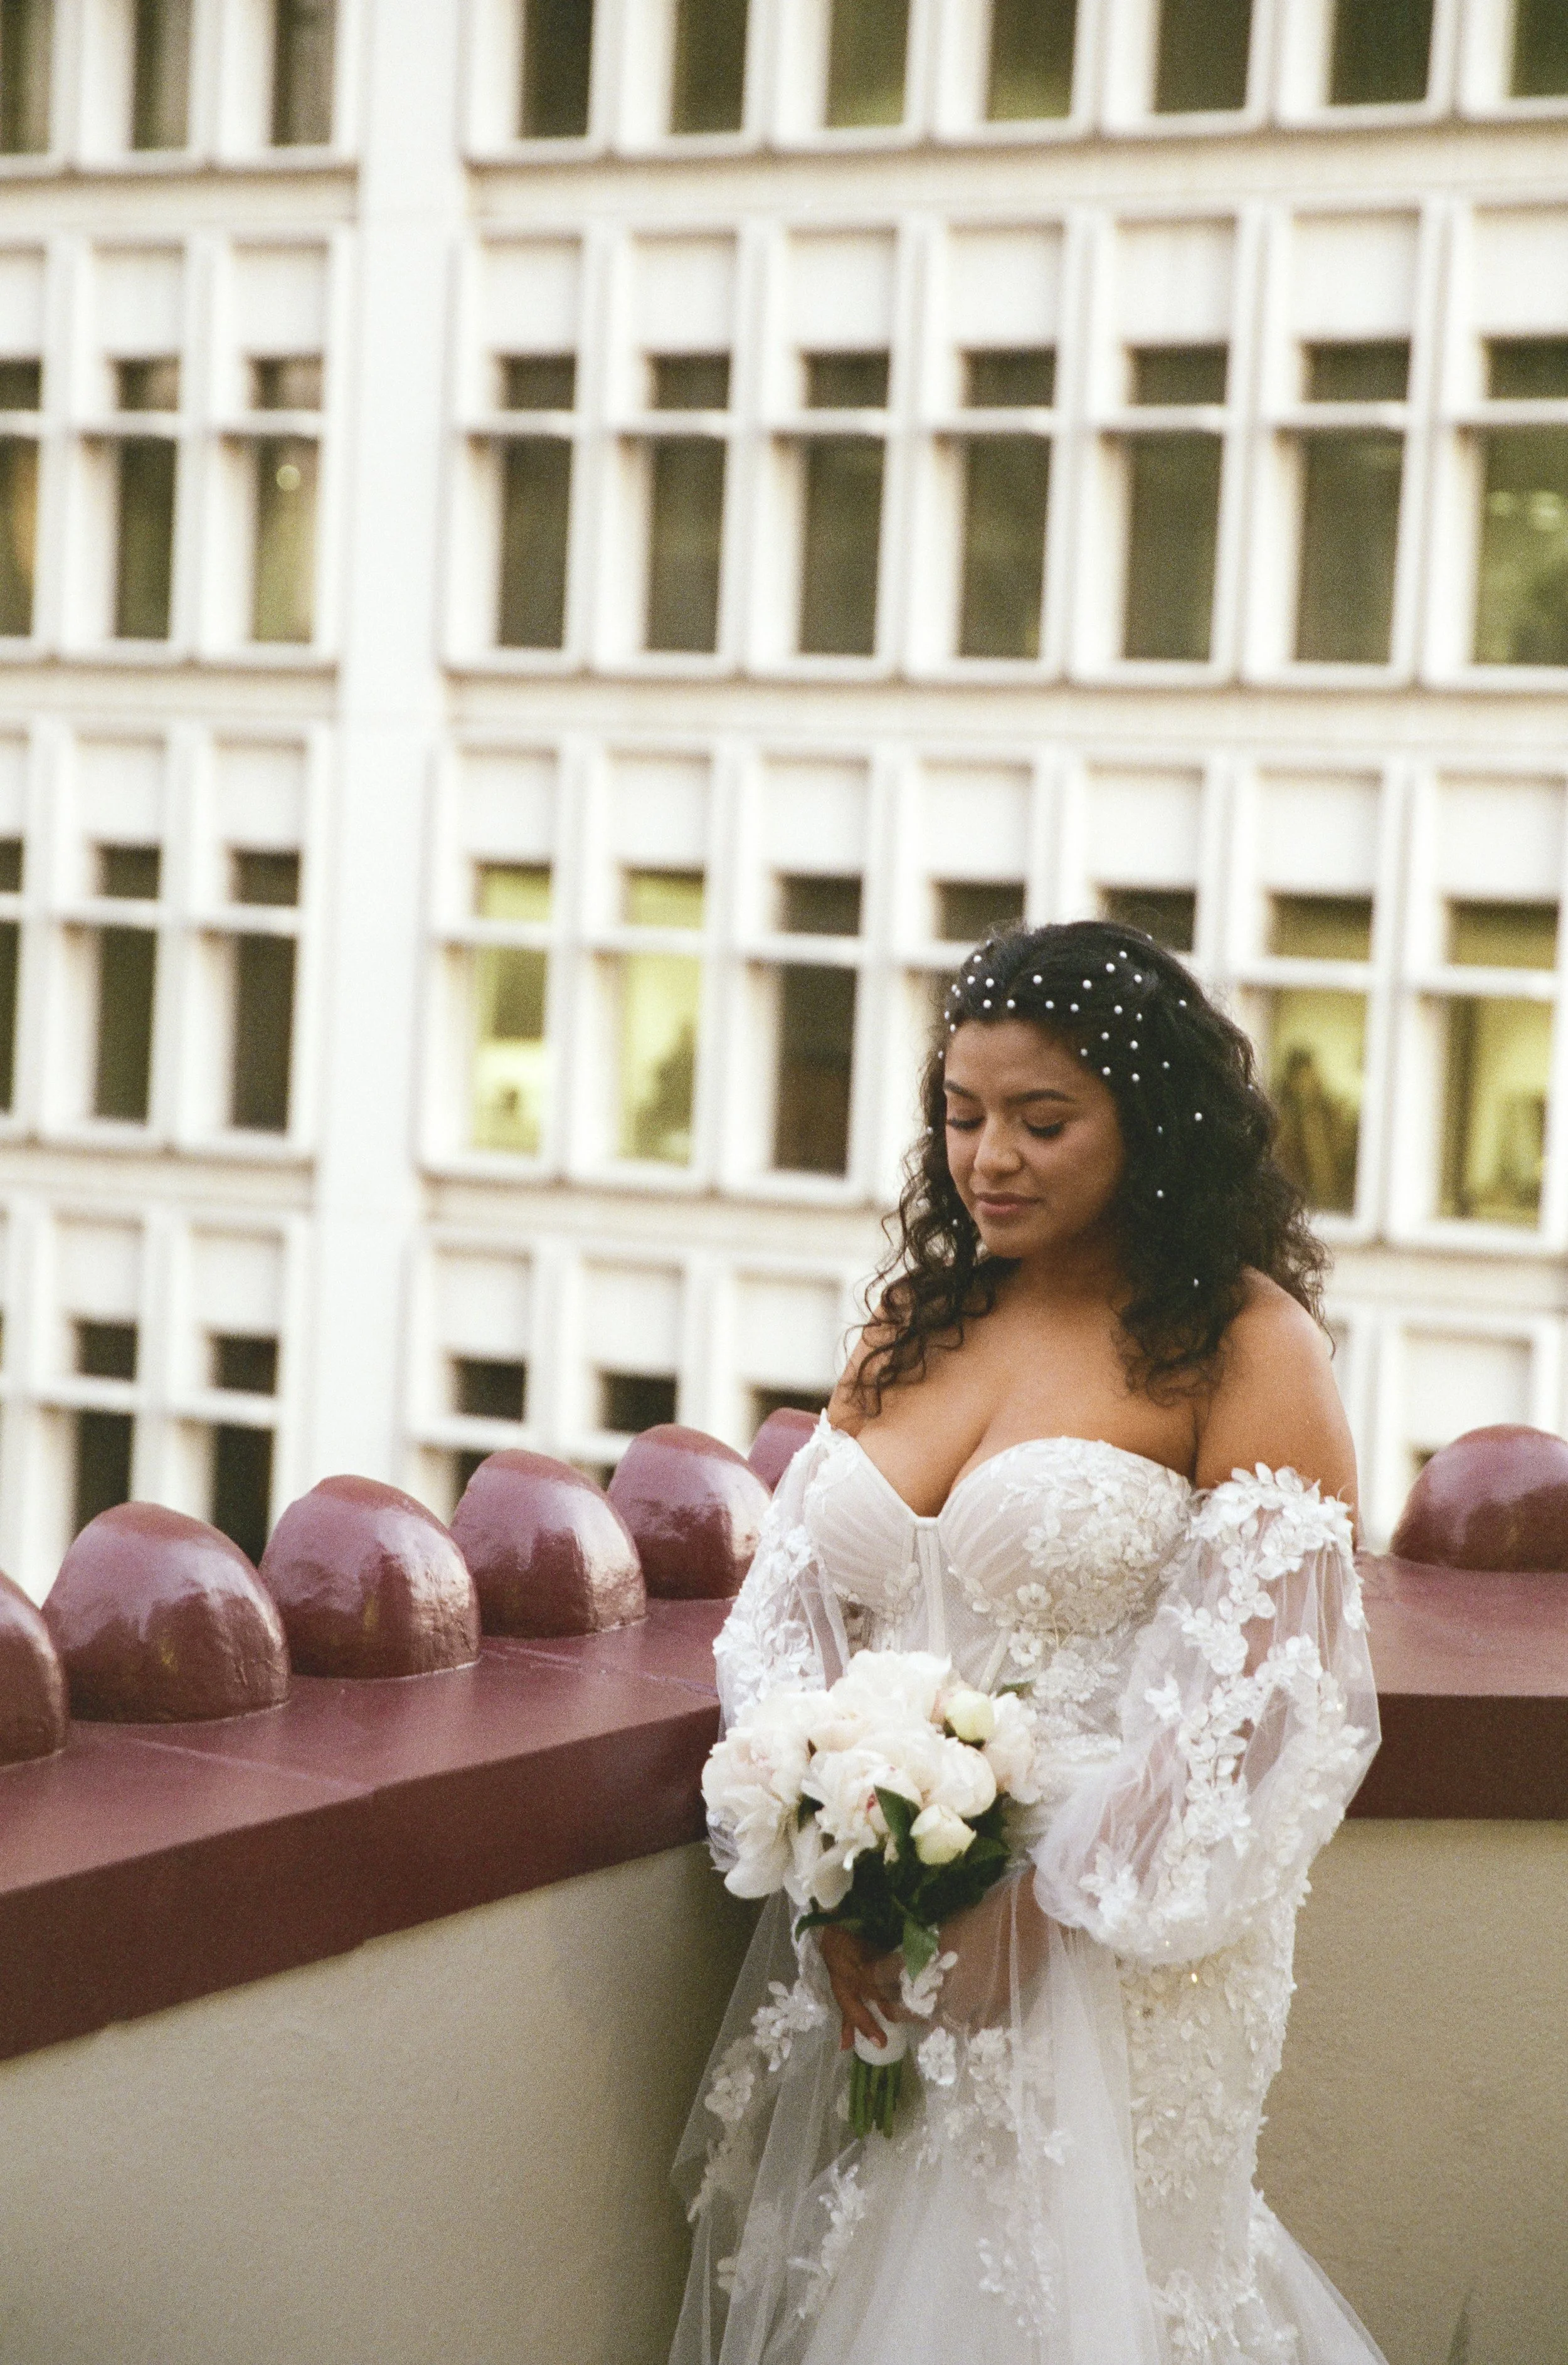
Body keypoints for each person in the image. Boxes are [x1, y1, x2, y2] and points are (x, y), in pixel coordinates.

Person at [672, 919, 1384, 2365]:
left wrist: (1047, 1906)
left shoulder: (1244, 1346)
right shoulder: (906, 1330)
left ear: (1153, 1124)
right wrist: (827, 1852)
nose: (986, 1156)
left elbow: (1271, 1699)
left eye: (1039, 1120)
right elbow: (784, 1621)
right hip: (878, 1938)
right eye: (959, 1114)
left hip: (1123, 1943)